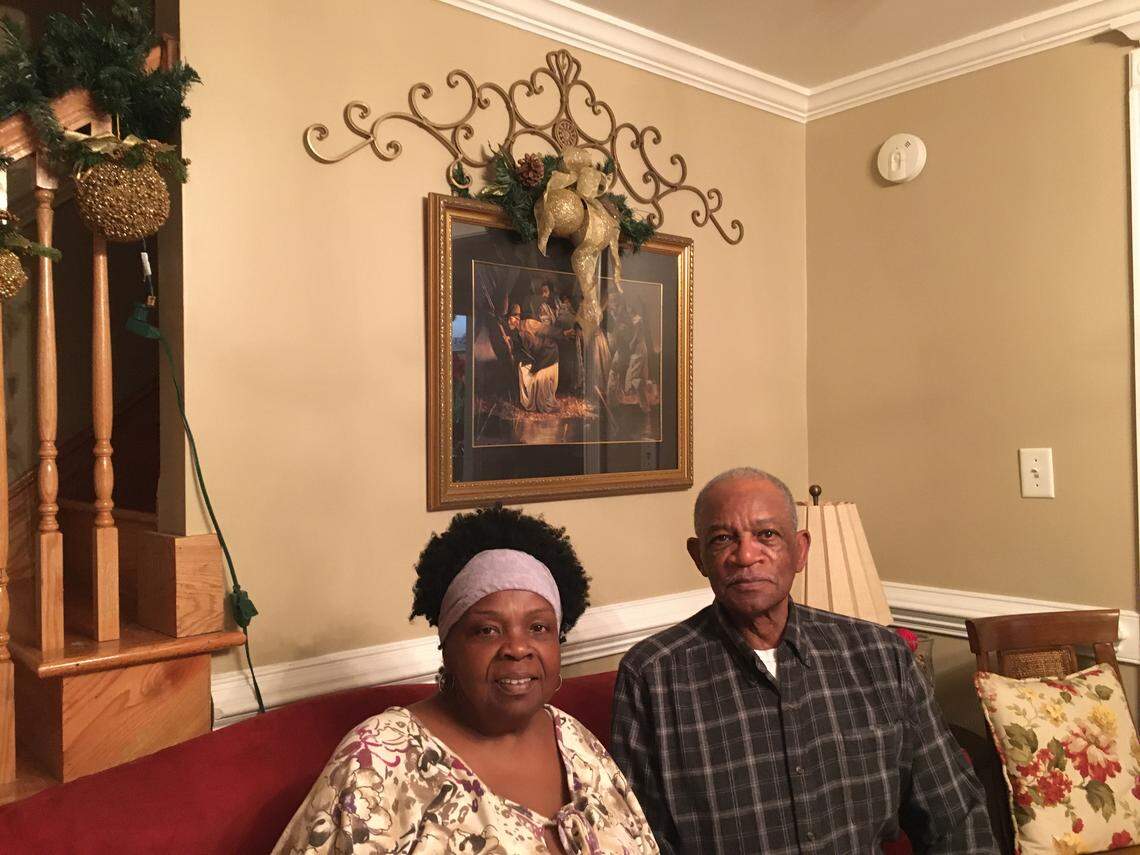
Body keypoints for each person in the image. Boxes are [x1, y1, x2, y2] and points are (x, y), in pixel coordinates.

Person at [610, 468, 997, 854]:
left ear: (800, 550)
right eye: (724, 538)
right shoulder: (653, 676)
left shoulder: (881, 656)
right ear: (699, 557)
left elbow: (956, 817)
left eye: (767, 535)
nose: (746, 555)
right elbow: (641, 842)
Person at [275, 505, 660, 855]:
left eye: (539, 627)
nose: (518, 648)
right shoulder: (376, 760)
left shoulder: (575, 741)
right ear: (448, 646)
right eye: (487, 631)